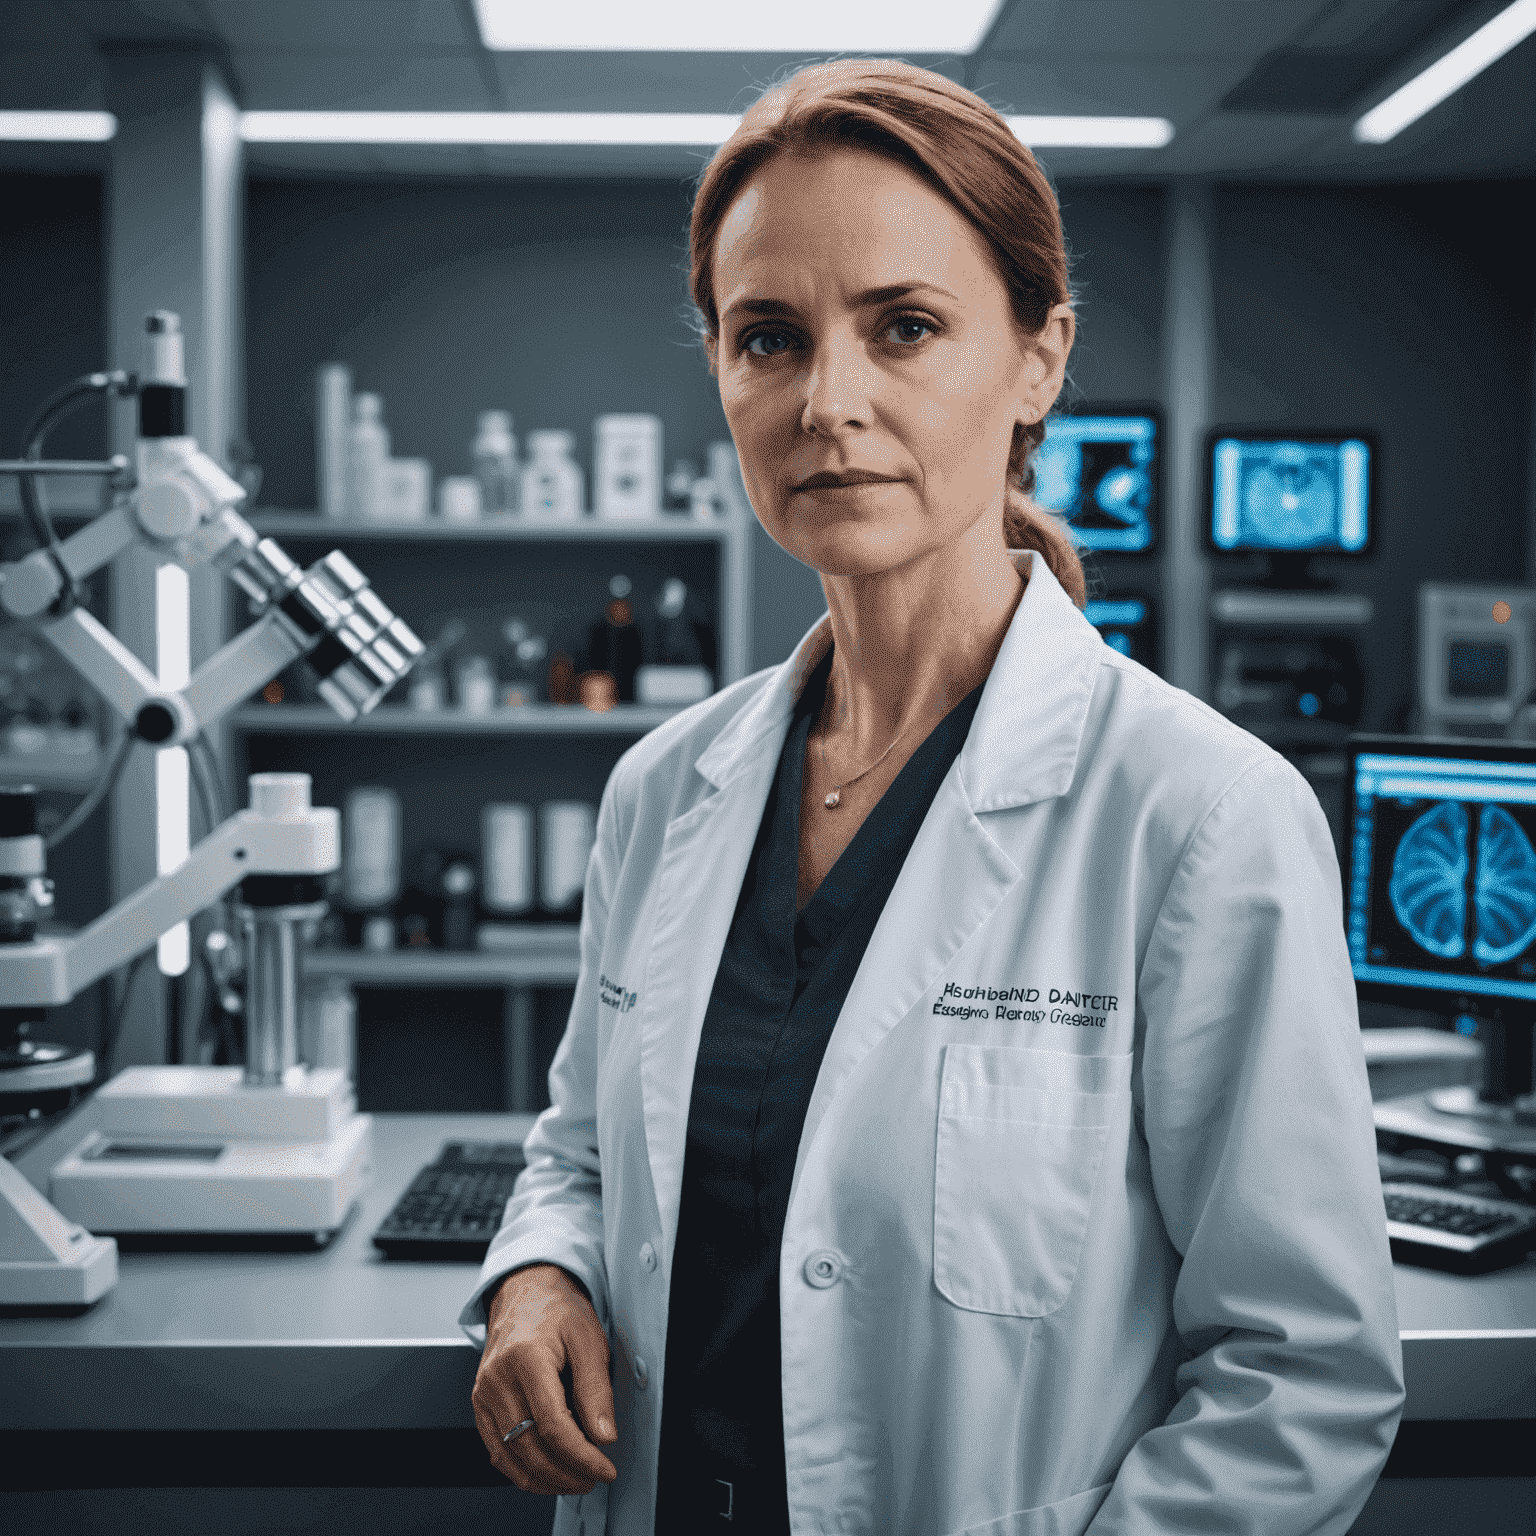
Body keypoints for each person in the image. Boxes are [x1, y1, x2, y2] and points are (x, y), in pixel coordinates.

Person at [461, 58, 1405, 1536]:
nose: (830, 403)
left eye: (905, 328)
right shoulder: (665, 792)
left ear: (1038, 360)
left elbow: (1304, 1378)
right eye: (770, 338)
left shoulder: (1200, 817)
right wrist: (539, 1276)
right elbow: (577, 1151)